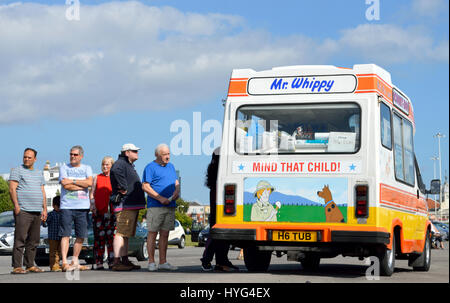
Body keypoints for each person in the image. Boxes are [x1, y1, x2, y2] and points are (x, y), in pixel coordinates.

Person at [8, 148, 47, 274]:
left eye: (29, 157)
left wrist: (44, 209)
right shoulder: (17, 171)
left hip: (37, 211)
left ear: (35, 159)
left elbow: (42, 191)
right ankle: (17, 266)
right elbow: (12, 189)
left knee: (34, 240)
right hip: (23, 210)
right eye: (25, 157)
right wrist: (16, 206)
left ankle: (30, 264)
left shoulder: (39, 173)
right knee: (20, 239)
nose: (26, 159)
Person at [200, 147, 238, 272]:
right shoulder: (219, 177)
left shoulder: (214, 174)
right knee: (217, 233)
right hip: (220, 205)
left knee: (220, 233)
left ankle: (221, 260)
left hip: (219, 203)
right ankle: (210, 260)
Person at [142, 143, 180, 271]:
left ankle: (163, 262)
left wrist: (177, 191)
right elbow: (145, 186)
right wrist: (160, 198)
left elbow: (176, 182)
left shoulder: (171, 167)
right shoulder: (150, 167)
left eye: (169, 154)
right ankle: (151, 262)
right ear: (157, 155)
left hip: (170, 205)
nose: (168, 157)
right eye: (164, 154)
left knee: (165, 234)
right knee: (152, 233)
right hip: (155, 206)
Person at [109, 143, 146, 271]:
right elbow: (115, 170)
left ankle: (124, 260)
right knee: (120, 233)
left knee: (125, 234)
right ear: (127, 152)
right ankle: (117, 261)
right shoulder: (120, 163)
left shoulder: (127, 164)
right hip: (124, 205)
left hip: (130, 204)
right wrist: (123, 187)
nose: (137, 153)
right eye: (134, 151)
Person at [59, 145, 92, 272]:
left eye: (75, 155)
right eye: (71, 154)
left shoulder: (87, 168)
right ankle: (65, 262)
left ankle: (75, 261)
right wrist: (80, 184)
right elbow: (65, 185)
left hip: (82, 207)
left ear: (81, 156)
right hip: (67, 206)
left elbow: (89, 183)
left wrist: (72, 180)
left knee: (80, 235)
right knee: (65, 234)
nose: (72, 156)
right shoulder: (64, 167)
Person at [89, 156, 116, 270]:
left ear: (112, 166)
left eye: (107, 164)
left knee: (111, 239)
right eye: (103, 164)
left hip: (111, 212)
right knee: (99, 238)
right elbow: (92, 193)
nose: (105, 166)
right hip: (99, 212)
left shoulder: (115, 178)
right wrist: (92, 204)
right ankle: (98, 262)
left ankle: (111, 262)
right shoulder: (97, 177)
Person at [46, 196, 62, 272]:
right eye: (57, 206)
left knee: (60, 252)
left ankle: (57, 264)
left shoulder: (63, 214)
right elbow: (45, 224)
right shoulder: (51, 214)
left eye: (60, 206)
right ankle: (53, 266)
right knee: (53, 252)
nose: (59, 208)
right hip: (52, 237)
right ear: (53, 206)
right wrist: (43, 220)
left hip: (61, 236)